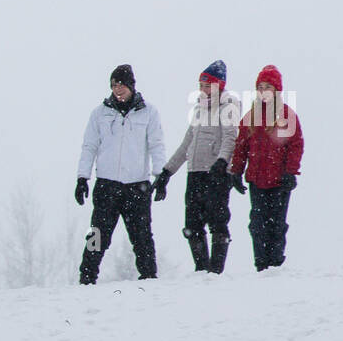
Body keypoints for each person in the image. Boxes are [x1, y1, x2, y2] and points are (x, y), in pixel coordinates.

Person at [75, 64, 166, 284]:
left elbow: (156, 145)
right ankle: (86, 278)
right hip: (107, 186)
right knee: (96, 234)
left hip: (137, 186)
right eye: (114, 85)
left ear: (131, 86)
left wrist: (160, 176)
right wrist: (82, 177)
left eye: (121, 85)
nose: (118, 89)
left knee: (142, 237)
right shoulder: (99, 114)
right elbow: (89, 146)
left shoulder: (149, 112)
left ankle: (149, 279)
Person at [152, 60, 241, 274]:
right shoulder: (199, 110)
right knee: (192, 226)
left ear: (219, 84)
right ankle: (201, 269)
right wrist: (166, 172)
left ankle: (216, 271)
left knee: (217, 223)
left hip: (216, 173)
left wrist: (221, 162)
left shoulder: (228, 106)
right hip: (195, 173)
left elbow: (230, 138)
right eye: (201, 85)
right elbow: (186, 145)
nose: (203, 89)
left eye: (207, 85)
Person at [229, 65, 303, 271]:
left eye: (267, 87)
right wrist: (236, 170)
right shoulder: (251, 116)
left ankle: (276, 264)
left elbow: (296, 145)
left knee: (277, 224)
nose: (263, 91)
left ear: (276, 90)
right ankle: (261, 264)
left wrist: (291, 171)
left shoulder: (287, 115)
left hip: (279, 180)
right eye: (260, 87)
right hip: (256, 179)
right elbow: (241, 146)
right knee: (257, 224)